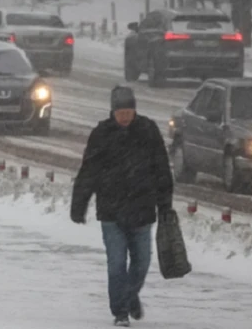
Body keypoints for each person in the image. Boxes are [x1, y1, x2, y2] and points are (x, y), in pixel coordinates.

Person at [70, 86, 174, 327]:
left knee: (142, 263)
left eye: (129, 112)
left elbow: (161, 168)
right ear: (113, 112)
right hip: (111, 212)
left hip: (142, 210)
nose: (125, 117)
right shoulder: (102, 134)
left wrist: (164, 203)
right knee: (116, 263)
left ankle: (129, 296)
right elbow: (89, 171)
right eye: (121, 112)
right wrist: (79, 204)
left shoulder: (148, 130)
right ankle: (120, 312)